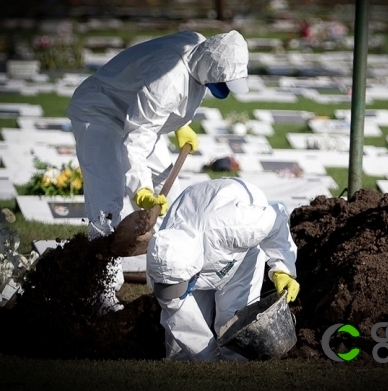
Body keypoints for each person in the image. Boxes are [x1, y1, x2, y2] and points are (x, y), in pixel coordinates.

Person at [66, 30, 250, 311]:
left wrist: (180, 124)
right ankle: (100, 291)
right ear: (210, 67)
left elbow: (162, 103)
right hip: (100, 112)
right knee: (107, 200)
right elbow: (137, 136)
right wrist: (140, 188)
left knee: (174, 196)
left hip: (136, 115)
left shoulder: (198, 49)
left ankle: (169, 279)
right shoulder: (169, 78)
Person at [146, 178, 300, 361]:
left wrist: (282, 268)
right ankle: (182, 364)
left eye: (182, 283)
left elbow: (276, 219)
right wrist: (208, 360)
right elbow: (180, 317)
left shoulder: (239, 227)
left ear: (195, 269)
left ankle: (236, 363)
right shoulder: (162, 258)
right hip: (196, 219)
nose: (176, 292)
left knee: (233, 312)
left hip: (239, 246)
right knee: (182, 335)